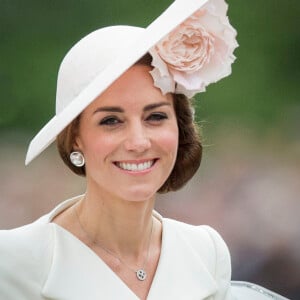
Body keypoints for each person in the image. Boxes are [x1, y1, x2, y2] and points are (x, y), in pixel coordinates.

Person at [0, 0, 238, 299]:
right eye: (111, 121)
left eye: (155, 117)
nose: (138, 142)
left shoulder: (206, 251)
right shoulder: (12, 261)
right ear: (75, 137)